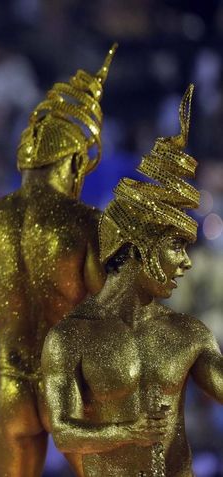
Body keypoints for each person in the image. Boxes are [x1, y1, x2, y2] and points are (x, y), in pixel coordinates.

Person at [42, 85, 223, 476]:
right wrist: (126, 431)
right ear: (140, 246)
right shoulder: (70, 338)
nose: (184, 263)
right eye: (175, 248)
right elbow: (63, 432)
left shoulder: (189, 333)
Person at [0, 44, 116, 476]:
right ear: (73, 163)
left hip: (10, 390)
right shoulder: (85, 222)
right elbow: (110, 310)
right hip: (71, 390)